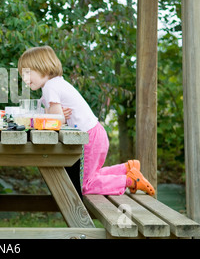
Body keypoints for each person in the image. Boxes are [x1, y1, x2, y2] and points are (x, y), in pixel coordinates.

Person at [18, 46, 154, 196]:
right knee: (90, 176)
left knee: (85, 185)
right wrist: (55, 114)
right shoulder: (56, 83)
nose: (25, 79)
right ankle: (127, 168)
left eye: (27, 73)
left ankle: (129, 180)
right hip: (94, 133)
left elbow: (55, 122)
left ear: (43, 67)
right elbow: (55, 115)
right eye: (22, 75)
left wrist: (55, 116)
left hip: (88, 137)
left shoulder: (50, 87)